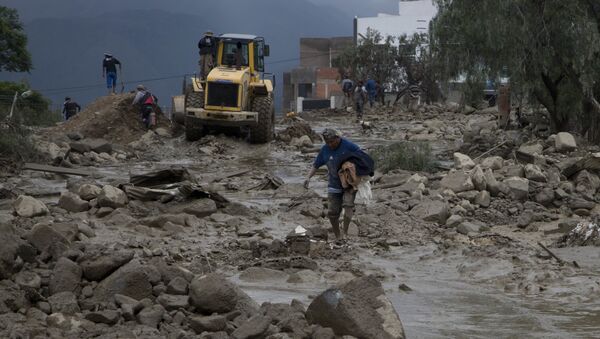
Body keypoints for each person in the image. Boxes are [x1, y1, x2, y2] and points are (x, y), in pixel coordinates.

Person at [304, 129, 374, 242]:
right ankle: (338, 236)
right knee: (332, 213)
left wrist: (359, 175)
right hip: (334, 184)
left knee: (348, 206)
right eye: (328, 142)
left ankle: (345, 233)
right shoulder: (325, 150)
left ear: (338, 138)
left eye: (333, 141)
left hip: (349, 184)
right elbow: (316, 165)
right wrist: (308, 177)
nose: (331, 144)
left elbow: (363, 158)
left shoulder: (349, 146)